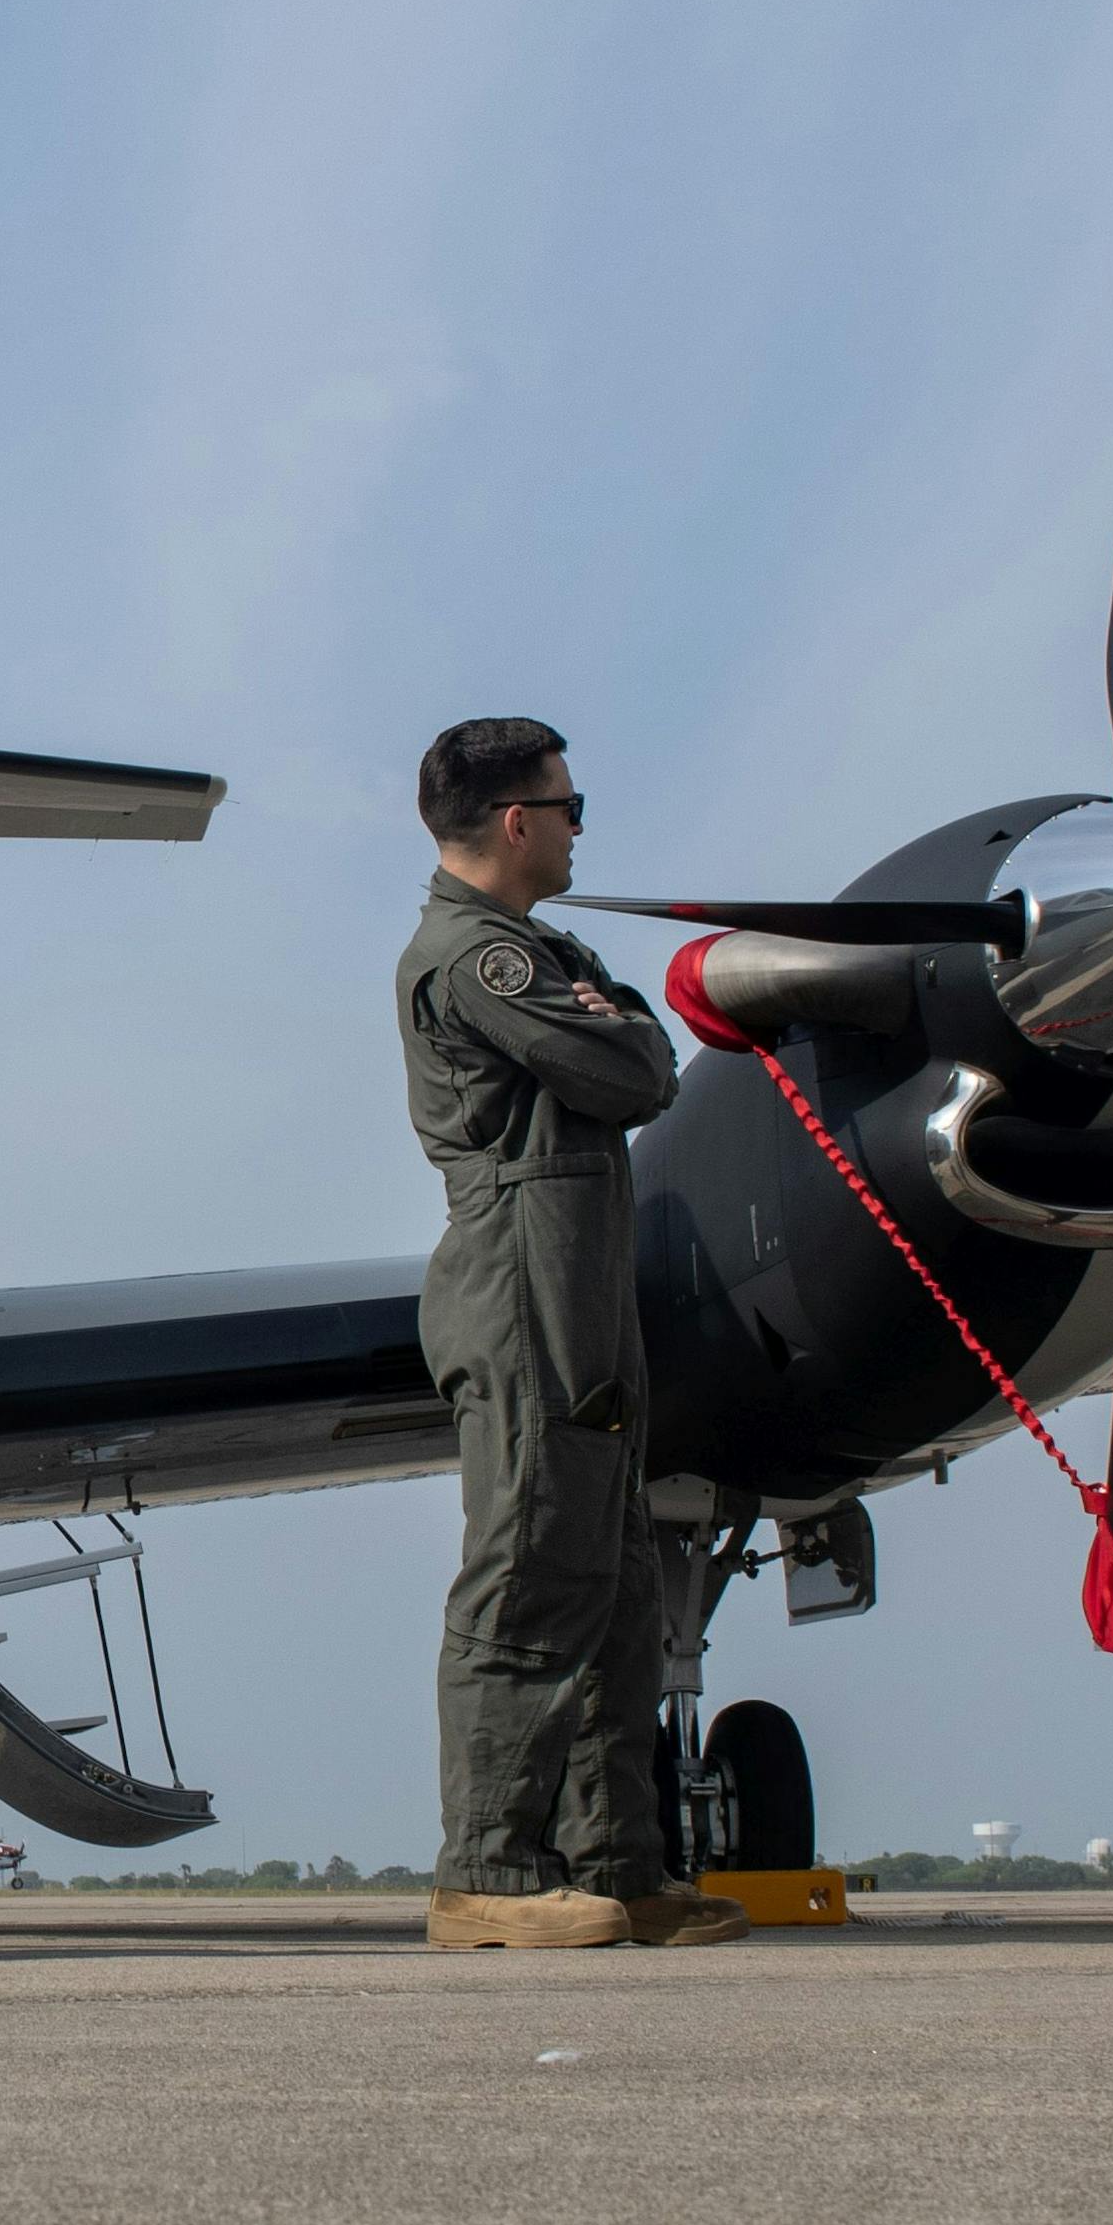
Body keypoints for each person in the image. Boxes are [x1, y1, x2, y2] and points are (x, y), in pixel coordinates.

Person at [395, 719, 736, 1948]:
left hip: (582, 1274)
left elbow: (642, 1056)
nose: (582, 822)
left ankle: (616, 1867)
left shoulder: (539, 951)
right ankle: (486, 1871)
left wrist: (617, 1030)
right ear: (514, 822)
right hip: (523, 1273)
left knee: (617, 1578)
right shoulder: (477, 961)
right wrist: (615, 1030)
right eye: (568, 801)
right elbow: (638, 1071)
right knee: (534, 1557)